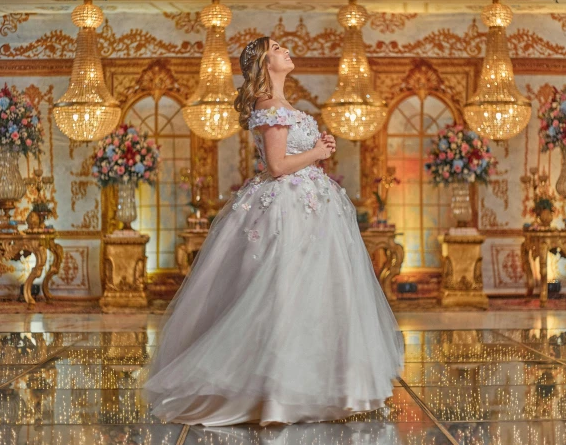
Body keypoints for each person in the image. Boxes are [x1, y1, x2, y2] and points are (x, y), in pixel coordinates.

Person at [143, 36, 404, 426]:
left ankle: (319, 386)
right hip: (285, 208)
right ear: (266, 62)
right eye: (279, 47)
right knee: (280, 293)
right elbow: (278, 166)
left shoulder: (283, 106)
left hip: (310, 207)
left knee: (314, 295)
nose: (287, 50)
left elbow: (290, 157)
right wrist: (317, 154)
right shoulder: (267, 106)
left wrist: (320, 147)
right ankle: (275, 394)